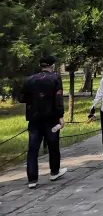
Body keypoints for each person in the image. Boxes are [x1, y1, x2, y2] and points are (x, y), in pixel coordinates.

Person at [19, 50, 67, 189]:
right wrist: (60, 116)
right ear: (52, 65)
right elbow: (58, 98)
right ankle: (54, 171)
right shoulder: (55, 78)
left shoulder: (30, 79)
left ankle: (32, 179)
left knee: (33, 149)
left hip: (34, 119)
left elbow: (21, 98)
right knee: (53, 145)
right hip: (51, 118)